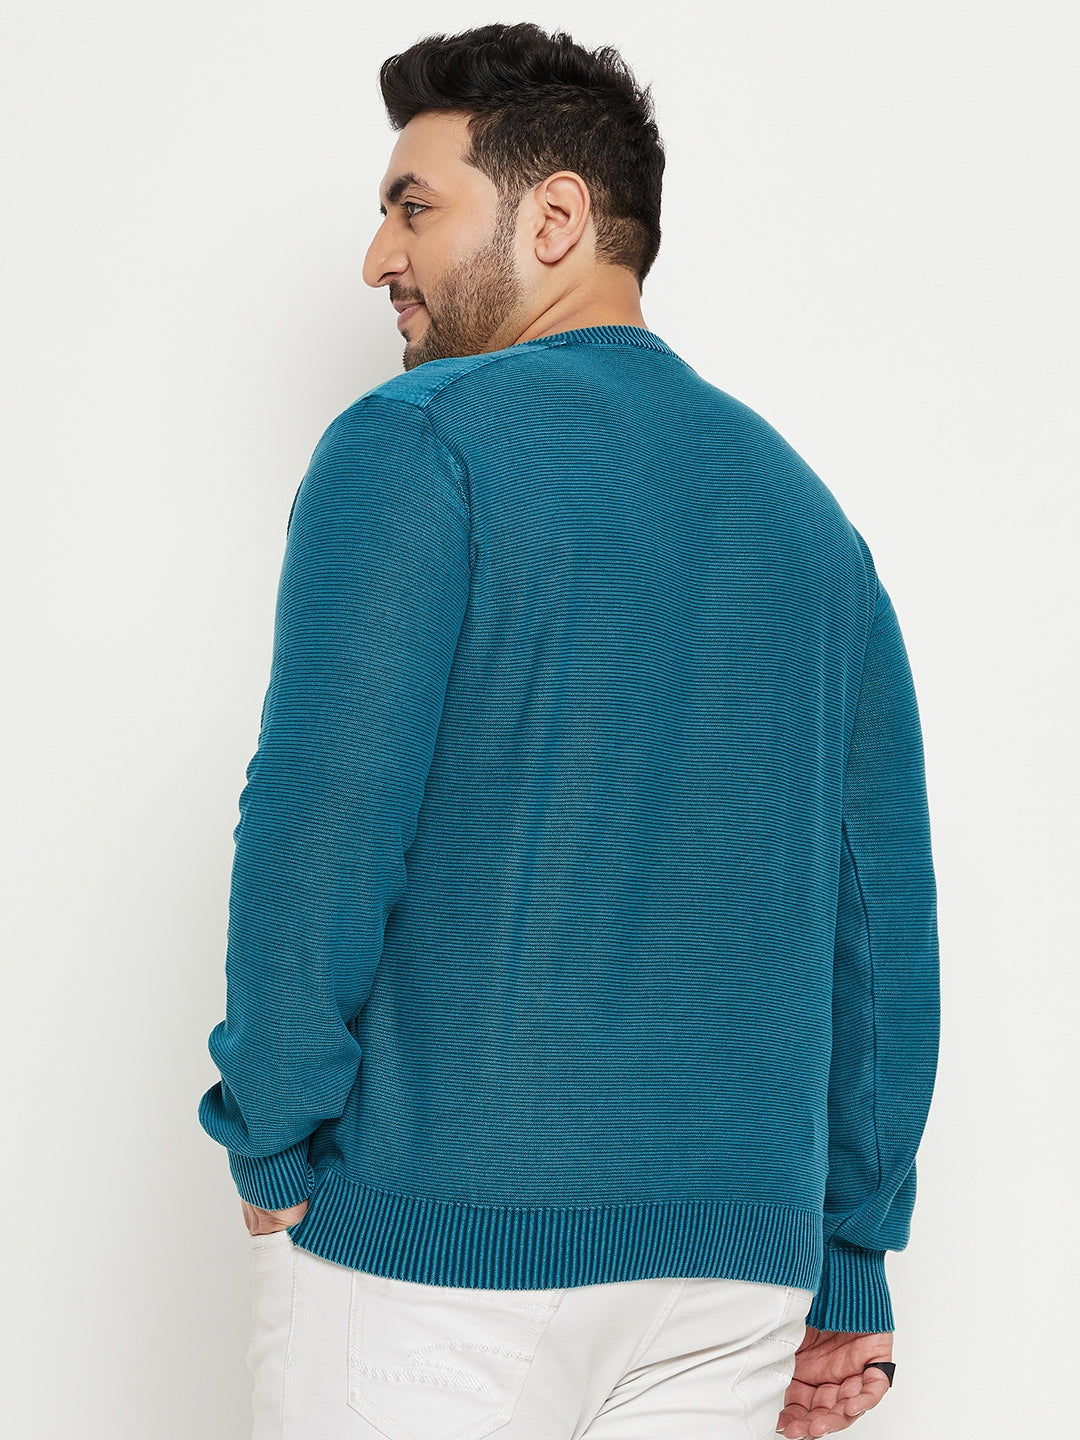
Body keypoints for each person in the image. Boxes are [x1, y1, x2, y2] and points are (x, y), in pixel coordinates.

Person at [199, 21, 939, 1440]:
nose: (378, 258)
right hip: (729, 1279)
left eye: (414, 205)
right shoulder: (812, 523)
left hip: (436, 1250)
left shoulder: (417, 438)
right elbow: (879, 920)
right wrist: (852, 1250)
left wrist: (275, 1135)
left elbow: (321, 816)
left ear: (554, 218)